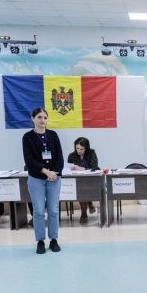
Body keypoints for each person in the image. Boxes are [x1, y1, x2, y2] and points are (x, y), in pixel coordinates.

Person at [22, 107, 64, 254]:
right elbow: (29, 160)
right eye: (39, 117)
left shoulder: (53, 135)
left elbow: (59, 157)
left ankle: (54, 239)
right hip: (36, 179)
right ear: (33, 119)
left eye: (45, 117)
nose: (42, 120)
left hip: (54, 178)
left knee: (53, 210)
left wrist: (54, 173)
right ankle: (40, 241)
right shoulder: (27, 137)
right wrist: (46, 171)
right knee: (39, 211)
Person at [67, 136, 99, 224]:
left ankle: (85, 211)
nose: (79, 151)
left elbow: (95, 167)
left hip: (91, 180)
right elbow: (68, 169)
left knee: (83, 188)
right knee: (81, 188)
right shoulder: (71, 156)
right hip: (77, 181)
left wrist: (83, 169)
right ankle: (85, 211)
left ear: (86, 148)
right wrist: (71, 169)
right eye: (77, 148)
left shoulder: (91, 153)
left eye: (81, 149)